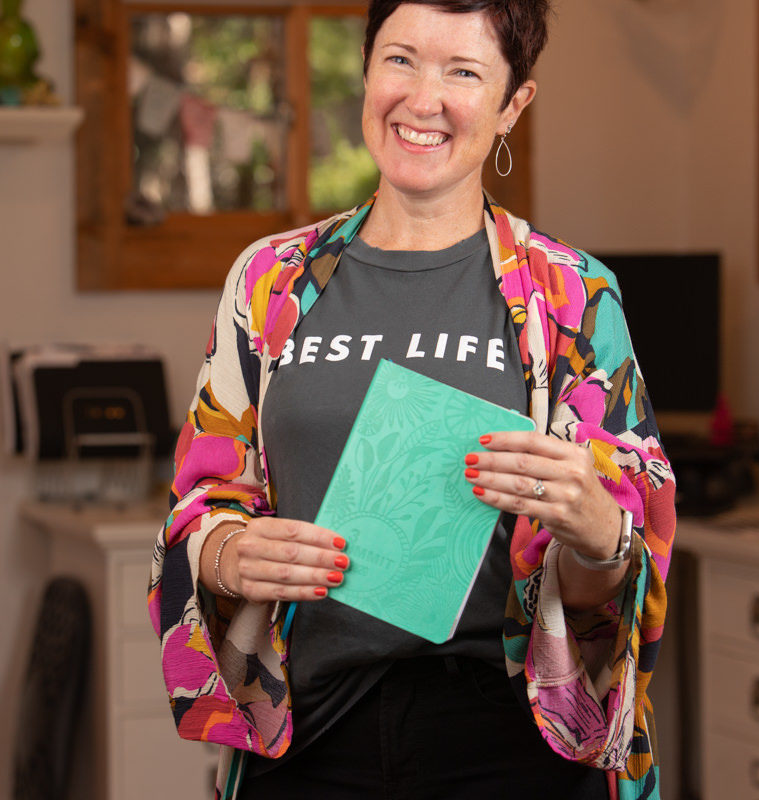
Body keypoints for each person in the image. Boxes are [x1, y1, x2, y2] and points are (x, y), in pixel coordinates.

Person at [148, 2, 675, 799]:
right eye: (400, 59)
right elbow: (201, 499)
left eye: (463, 72)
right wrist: (226, 554)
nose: (422, 99)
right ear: (365, 70)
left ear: (512, 105)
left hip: (512, 746)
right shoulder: (269, 280)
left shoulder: (575, 295)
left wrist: (600, 531)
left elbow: (619, 575)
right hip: (309, 739)